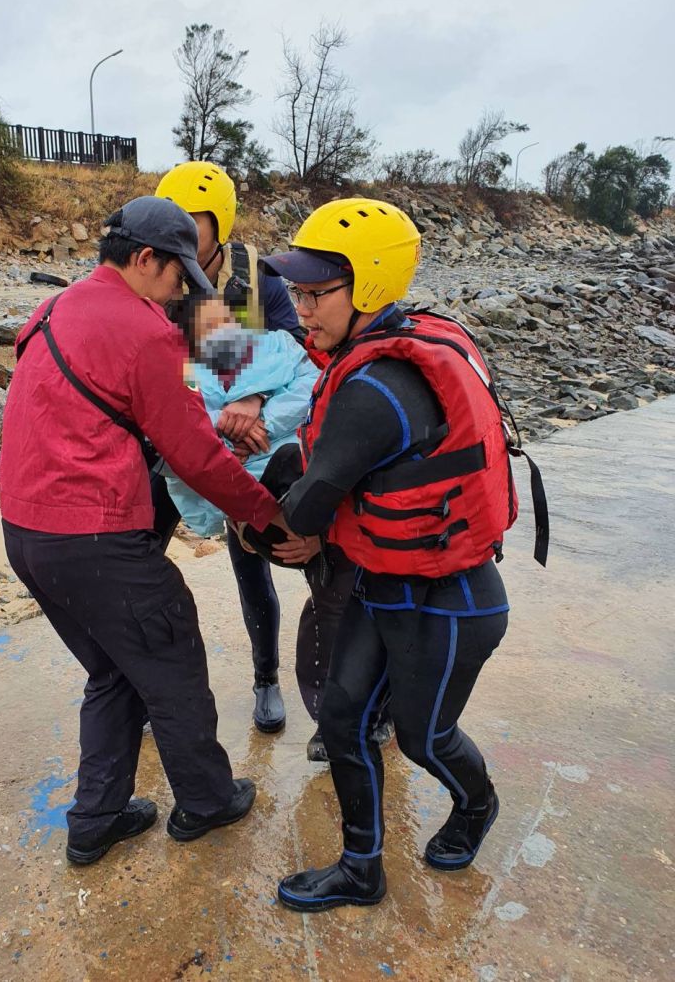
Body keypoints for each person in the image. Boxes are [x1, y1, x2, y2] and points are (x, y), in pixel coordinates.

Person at [258, 197, 539, 912]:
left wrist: (245, 504)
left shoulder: (378, 386)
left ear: (373, 286)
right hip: (383, 584)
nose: (301, 308)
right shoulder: (367, 354)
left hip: (454, 602)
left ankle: (476, 806)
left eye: (319, 292)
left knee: (422, 736)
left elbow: (303, 512)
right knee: (345, 719)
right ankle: (361, 868)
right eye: (295, 291)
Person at [0, 196, 290, 867]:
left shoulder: (51, 310)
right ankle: (208, 801)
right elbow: (195, 460)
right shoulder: (146, 329)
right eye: (175, 275)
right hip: (95, 538)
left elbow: (82, 408)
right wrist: (267, 513)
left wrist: (192, 419)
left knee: (115, 669)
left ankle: (95, 819)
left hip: (25, 533)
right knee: (171, 652)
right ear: (144, 258)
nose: (181, 292)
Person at [154, 162, 354, 742]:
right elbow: (153, 365)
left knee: (259, 562)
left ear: (219, 224)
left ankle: (268, 679)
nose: (178, 238)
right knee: (142, 558)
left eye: (190, 225)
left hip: (258, 445)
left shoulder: (257, 280)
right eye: (170, 226)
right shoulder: (159, 279)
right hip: (183, 438)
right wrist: (210, 418)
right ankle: (142, 685)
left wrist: (257, 403)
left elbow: (303, 350)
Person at [163, 295, 348, 723]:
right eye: (208, 329)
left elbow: (314, 389)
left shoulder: (279, 345)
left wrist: (259, 410)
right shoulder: (183, 373)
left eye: (227, 322)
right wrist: (229, 440)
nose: (223, 335)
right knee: (254, 586)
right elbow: (181, 433)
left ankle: (340, 705)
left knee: (329, 591)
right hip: (238, 501)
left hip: (302, 492)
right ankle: (266, 678)